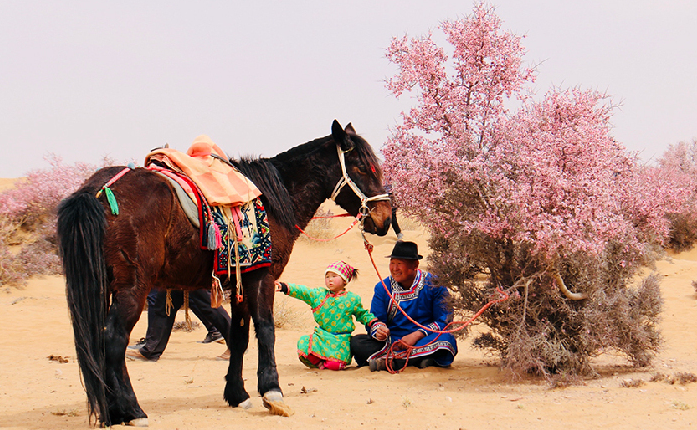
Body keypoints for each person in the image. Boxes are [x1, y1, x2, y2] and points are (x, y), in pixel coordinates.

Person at [350, 241, 457, 371]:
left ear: (415, 265)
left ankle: (393, 362)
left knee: (446, 340)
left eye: (399, 264)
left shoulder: (434, 284)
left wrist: (416, 335)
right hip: (394, 342)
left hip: (425, 338)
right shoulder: (383, 288)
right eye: (392, 263)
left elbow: (444, 320)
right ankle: (420, 360)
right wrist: (379, 330)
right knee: (357, 342)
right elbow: (375, 320)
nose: (394, 268)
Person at [275, 261, 378, 370]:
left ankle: (327, 363)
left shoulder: (352, 299)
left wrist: (374, 322)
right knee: (303, 345)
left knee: (335, 366)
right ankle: (319, 363)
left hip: (340, 341)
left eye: (334, 276)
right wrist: (285, 287)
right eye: (327, 277)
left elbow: (362, 314)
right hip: (322, 337)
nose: (330, 279)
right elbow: (304, 292)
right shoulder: (319, 294)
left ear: (344, 280)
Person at [126, 288, 231, 361]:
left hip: (189, 266)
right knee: (166, 300)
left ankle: (235, 343)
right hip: (175, 267)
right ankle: (151, 349)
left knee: (203, 300)